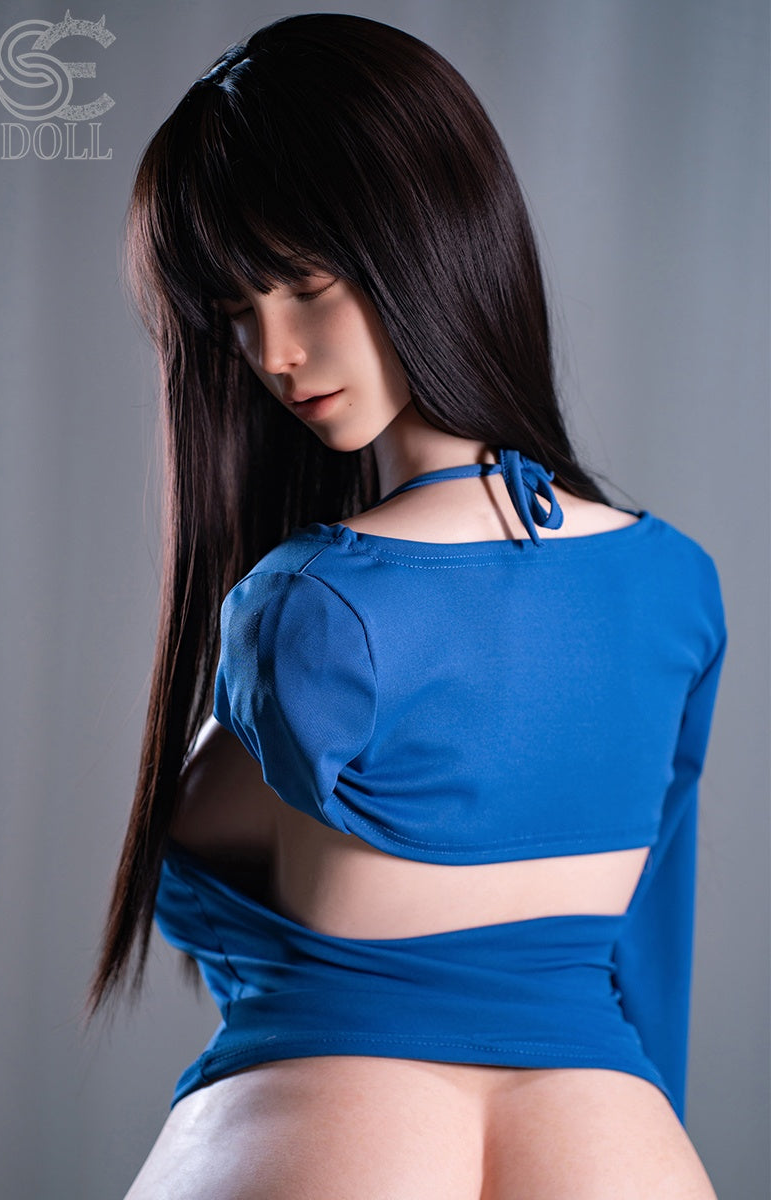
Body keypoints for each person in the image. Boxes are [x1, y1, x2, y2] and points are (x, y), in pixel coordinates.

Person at [85, 13, 727, 1198]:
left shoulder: (307, 607)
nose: (272, 352)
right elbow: (650, 951)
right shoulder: (675, 585)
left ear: (425, 239)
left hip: (323, 1131)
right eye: (233, 311)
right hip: (622, 1142)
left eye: (303, 285)